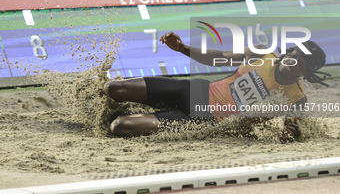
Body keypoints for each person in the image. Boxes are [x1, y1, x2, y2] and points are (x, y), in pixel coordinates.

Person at [103, 32, 330, 141]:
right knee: (114, 88)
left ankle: (137, 115)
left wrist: (291, 134)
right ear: (289, 51)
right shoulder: (262, 53)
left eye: (301, 65)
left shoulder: (297, 99)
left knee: (120, 126)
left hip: (202, 121)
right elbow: (218, 57)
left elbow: (291, 132)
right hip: (195, 92)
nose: (293, 65)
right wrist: (183, 48)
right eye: (294, 57)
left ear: (307, 74)